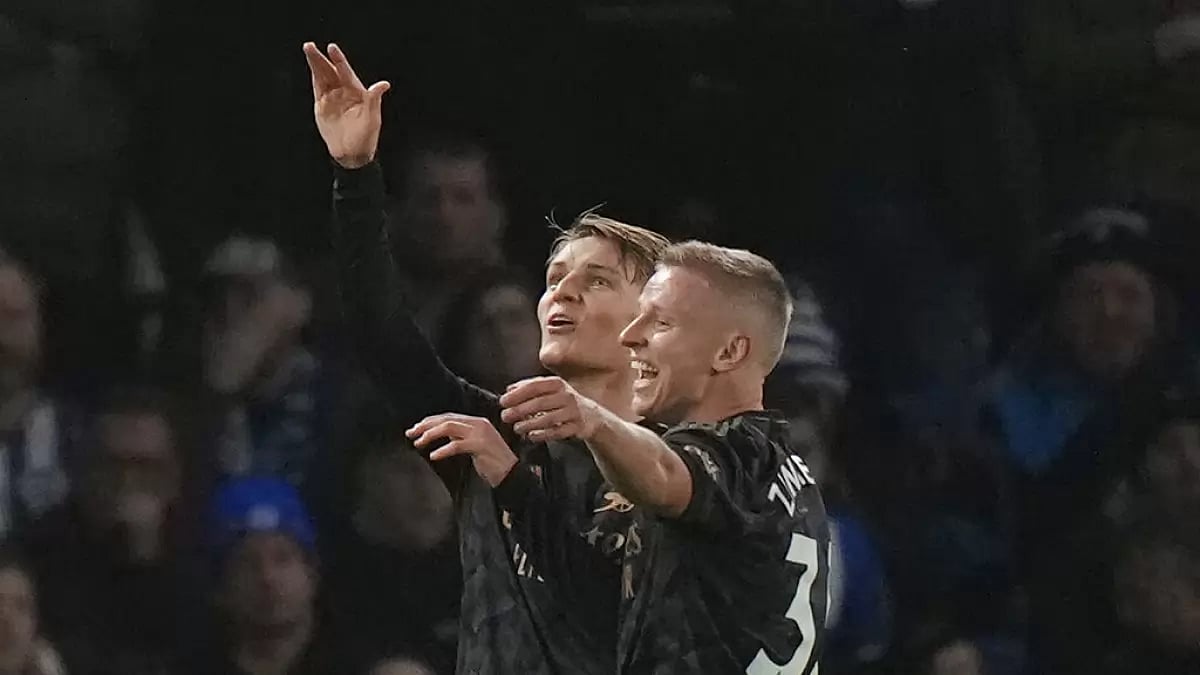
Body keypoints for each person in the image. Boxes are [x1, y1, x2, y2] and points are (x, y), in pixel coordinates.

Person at [303, 41, 670, 675]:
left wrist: (511, 481)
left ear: (650, 320)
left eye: (598, 280)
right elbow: (386, 337)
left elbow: (605, 615)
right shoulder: (497, 433)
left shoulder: (687, 463)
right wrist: (356, 173)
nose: (563, 292)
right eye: (554, 276)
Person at [419, 241, 830, 673]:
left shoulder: (734, 456)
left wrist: (592, 420)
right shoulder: (786, 473)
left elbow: (665, 472)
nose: (631, 336)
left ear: (729, 352)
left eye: (662, 323)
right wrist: (512, 483)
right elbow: (592, 602)